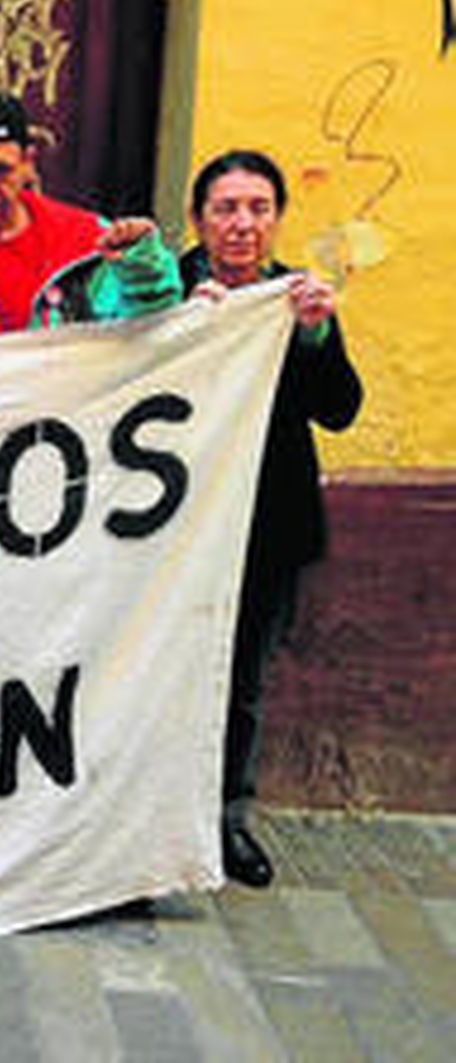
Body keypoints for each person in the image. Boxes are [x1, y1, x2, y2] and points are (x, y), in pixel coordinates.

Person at [180, 149, 363, 888]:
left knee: (242, 682)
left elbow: (340, 408)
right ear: (198, 220)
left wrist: (314, 335)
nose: (242, 224)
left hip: (267, 525)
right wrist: (186, 329)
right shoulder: (164, 290)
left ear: (277, 218)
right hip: (175, 529)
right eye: (226, 208)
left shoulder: (294, 298)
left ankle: (226, 819)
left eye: (259, 208)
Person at [0, 92, 179, 336]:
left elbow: (148, 329)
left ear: (28, 162)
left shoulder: (86, 241)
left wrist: (141, 265)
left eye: (1, 170)